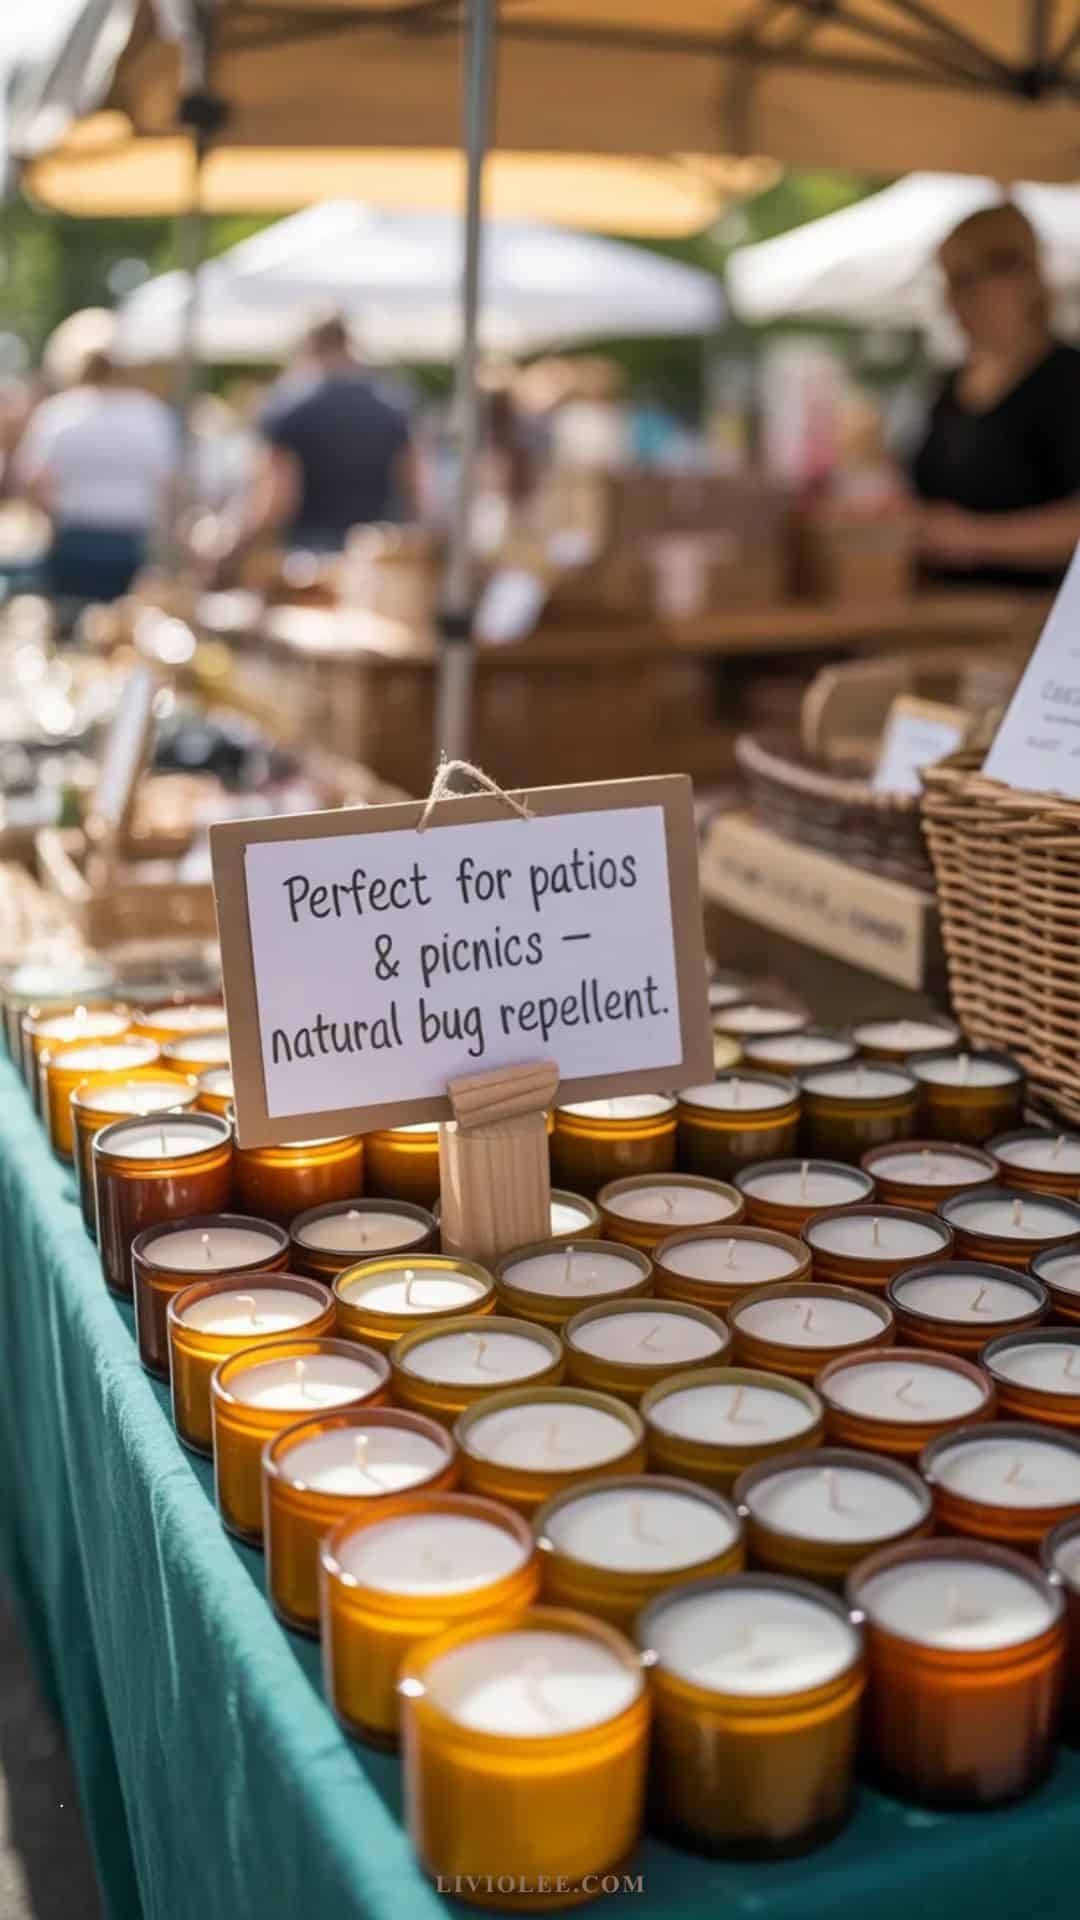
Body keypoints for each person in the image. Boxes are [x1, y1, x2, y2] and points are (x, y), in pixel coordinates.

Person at [912, 202, 1080, 589]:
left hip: (1038, 624)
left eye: (968, 281)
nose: (953, 301)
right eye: (949, 283)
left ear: (1024, 278)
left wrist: (976, 538)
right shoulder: (948, 387)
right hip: (944, 612)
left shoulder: (1067, 381)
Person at [222, 313, 418, 560]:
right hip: (376, 551)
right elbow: (414, 482)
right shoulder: (392, 403)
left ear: (309, 345)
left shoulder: (288, 406)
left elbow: (276, 496)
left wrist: (238, 542)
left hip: (308, 554)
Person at [14, 347, 177, 603]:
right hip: (130, 542)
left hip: (73, 539)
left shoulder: (59, 412)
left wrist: (52, 517)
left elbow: (32, 478)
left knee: (69, 621)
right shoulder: (150, 413)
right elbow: (168, 483)